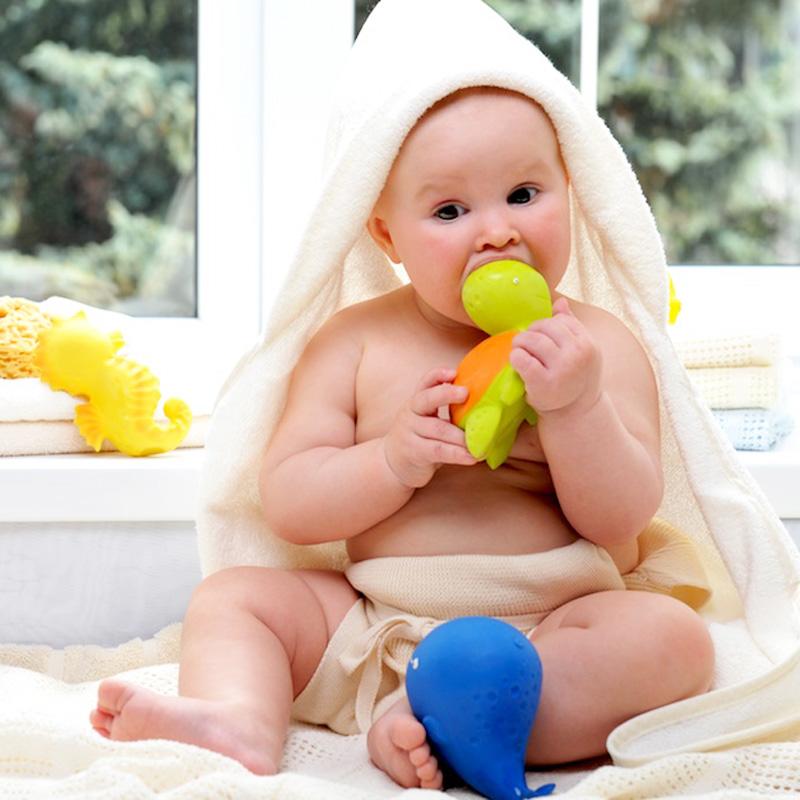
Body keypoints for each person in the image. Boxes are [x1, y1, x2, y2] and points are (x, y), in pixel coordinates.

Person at [89, 80, 715, 790]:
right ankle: (237, 719)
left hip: (552, 626)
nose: (497, 231)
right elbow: (292, 503)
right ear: (386, 235)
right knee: (235, 598)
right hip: (376, 625)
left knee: (673, 640)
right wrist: (392, 460)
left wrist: (577, 408)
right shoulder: (355, 341)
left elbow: (622, 520)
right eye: (450, 210)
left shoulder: (594, 345)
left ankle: (455, 724)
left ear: (568, 192)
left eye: (524, 194)